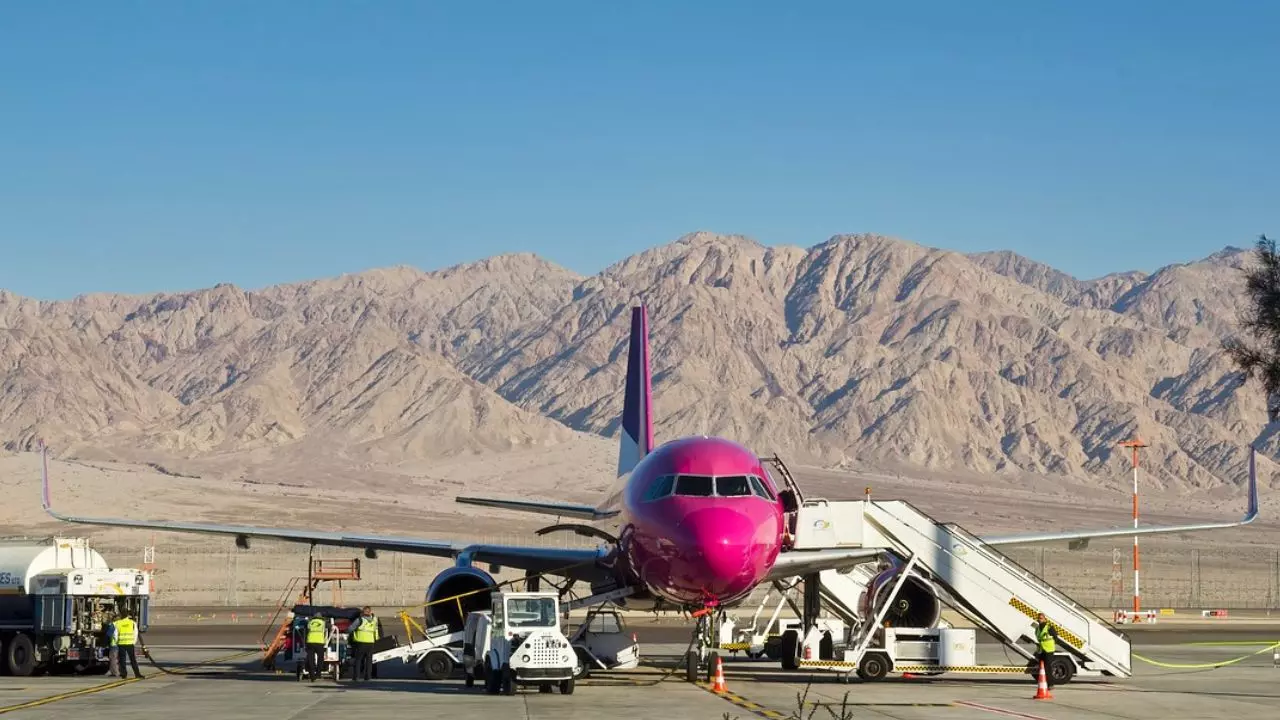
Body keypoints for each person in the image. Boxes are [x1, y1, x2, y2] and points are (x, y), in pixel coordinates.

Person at [348, 606, 379, 683]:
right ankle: (368, 676)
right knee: (369, 660)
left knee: (358, 660)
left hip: (361, 642)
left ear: (363, 612)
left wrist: (348, 632)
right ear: (370, 612)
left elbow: (350, 629)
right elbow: (376, 630)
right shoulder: (374, 620)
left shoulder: (360, 620)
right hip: (371, 642)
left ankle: (356, 676)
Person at [112, 611, 144, 679]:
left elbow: (115, 634)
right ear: (127, 616)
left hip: (121, 644)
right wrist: (133, 642)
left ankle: (124, 674)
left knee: (122, 660)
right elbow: (135, 633)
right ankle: (137, 674)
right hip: (130, 644)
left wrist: (117, 642)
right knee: (133, 660)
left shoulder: (118, 623)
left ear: (121, 616)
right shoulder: (132, 623)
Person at [1033, 612, 1059, 687]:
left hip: (1049, 649)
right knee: (1041, 666)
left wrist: (1051, 644)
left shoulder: (1049, 627)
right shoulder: (1037, 628)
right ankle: (1043, 681)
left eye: (1041, 618)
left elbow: (1055, 637)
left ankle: (1050, 684)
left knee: (1047, 667)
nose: (1039, 620)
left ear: (1045, 619)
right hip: (1041, 649)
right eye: (1039, 618)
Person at [305, 614, 328, 682]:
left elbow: (306, 629)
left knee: (311, 659)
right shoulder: (323, 623)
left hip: (310, 642)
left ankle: (312, 676)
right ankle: (318, 673)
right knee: (320, 659)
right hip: (319, 642)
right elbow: (330, 627)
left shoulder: (310, 622)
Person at [104, 612, 118, 677]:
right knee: (121, 659)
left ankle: (114, 672)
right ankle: (122, 671)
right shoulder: (121, 625)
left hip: (114, 645)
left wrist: (104, 644)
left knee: (113, 659)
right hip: (122, 644)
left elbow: (108, 634)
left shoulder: (113, 625)